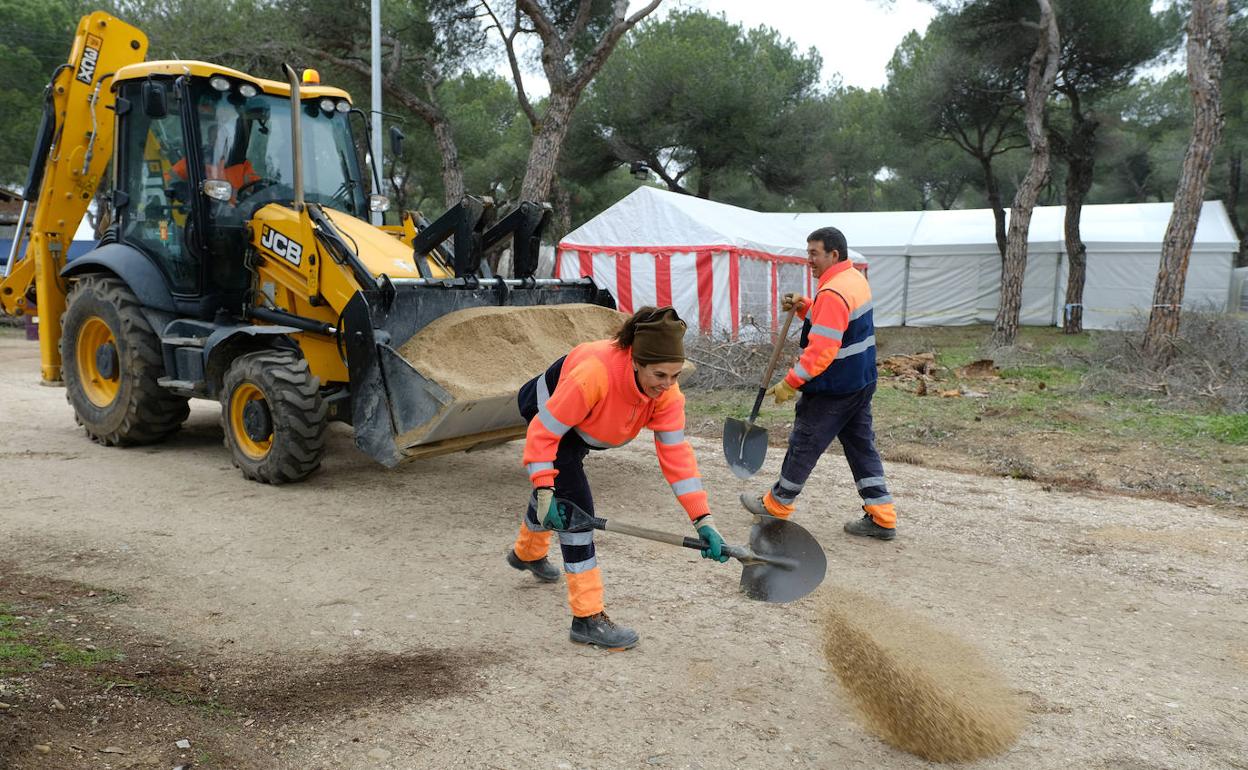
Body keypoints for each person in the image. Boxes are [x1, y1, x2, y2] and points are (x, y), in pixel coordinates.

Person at [507, 306, 729, 649]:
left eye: (675, 375)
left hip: (583, 425)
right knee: (575, 511)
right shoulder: (595, 374)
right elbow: (543, 433)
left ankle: (527, 553)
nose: (667, 385)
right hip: (548, 414)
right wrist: (543, 482)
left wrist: (704, 520)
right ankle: (587, 618)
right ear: (636, 361)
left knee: (557, 497)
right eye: (659, 375)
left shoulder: (667, 394)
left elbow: (677, 457)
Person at [740, 227, 898, 541]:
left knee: (805, 444)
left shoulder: (833, 292)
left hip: (834, 388)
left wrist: (791, 382)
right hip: (860, 382)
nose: (808, 259)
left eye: (814, 253)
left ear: (833, 254)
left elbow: (822, 351)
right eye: (808, 252)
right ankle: (882, 516)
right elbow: (839, 323)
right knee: (860, 446)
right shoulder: (852, 280)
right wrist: (805, 307)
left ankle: (776, 505)